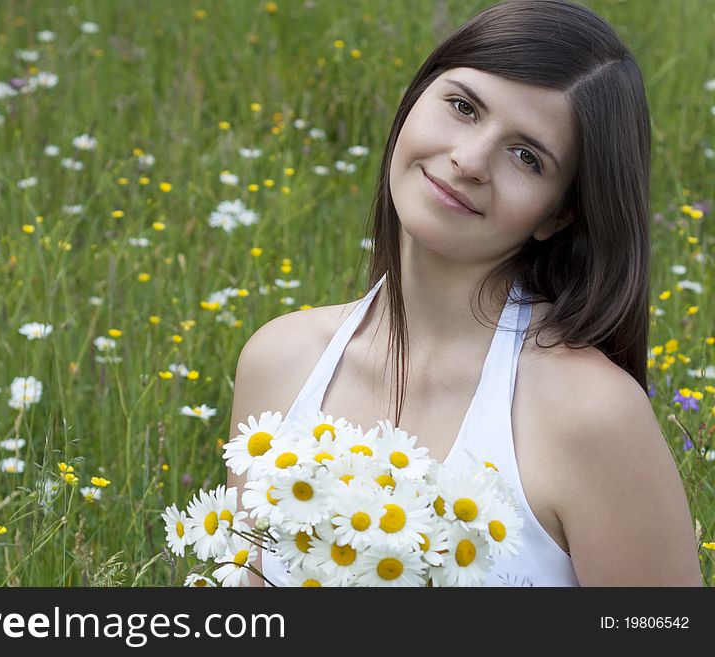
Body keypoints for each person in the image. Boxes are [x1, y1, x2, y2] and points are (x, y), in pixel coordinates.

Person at [226, 0, 702, 586]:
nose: (470, 160)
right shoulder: (281, 362)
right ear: (414, 98)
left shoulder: (590, 416)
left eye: (526, 156)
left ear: (560, 213)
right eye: (463, 107)